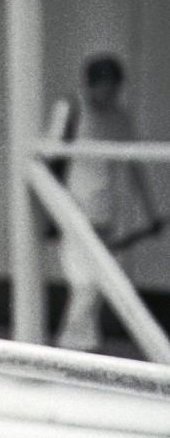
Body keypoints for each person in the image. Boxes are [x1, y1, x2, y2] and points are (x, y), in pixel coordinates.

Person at [49, 54, 157, 352]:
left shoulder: (121, 120)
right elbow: (48, 159)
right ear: (91, 85)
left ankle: (85, 347)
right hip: (71, 211)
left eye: (113, 88)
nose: (107, 94)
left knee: (94, 284)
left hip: (105, 213)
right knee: (84, 284)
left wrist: (150, 211)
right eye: (103, 86)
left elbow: (135, 166)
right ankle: (71, 349)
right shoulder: (71, 109)